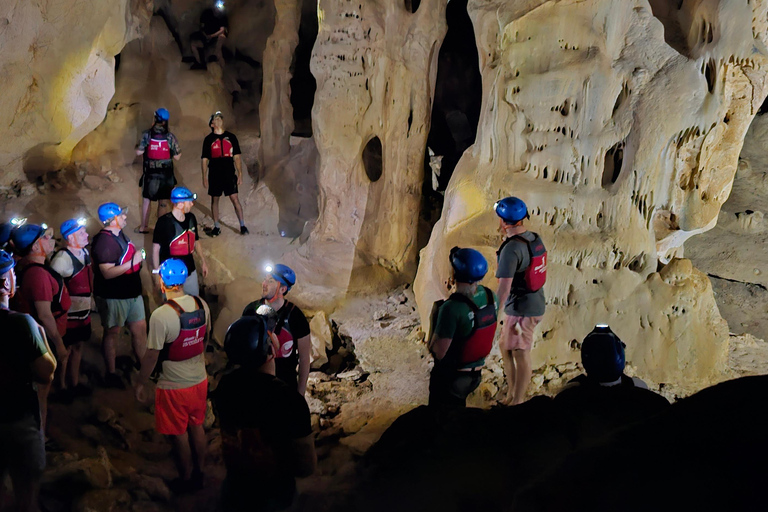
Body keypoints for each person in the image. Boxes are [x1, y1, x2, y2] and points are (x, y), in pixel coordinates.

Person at [213, 315, 316, 511]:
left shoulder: (226, 388)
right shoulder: (289, 400)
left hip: (235, 491)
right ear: (270, 350)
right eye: (270, 335)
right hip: (274, 498)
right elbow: (306, 467)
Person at [134, 259, 211, 493]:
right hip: (199, 379)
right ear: (185, 280)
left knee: (179, 435)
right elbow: (204, 340)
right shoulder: (202, 304)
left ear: (162, 282)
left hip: (173, 385)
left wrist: (140, 381)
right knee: (197, 427)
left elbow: (152, 356)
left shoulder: (161, 315)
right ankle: (202, 473)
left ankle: (186, 479)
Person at [0, 250, 57, 512]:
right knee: (27, 493)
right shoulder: (21, 323)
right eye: (12, 274)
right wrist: (42, 337)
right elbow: (46, 372)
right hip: (17, 418)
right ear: (5, 283)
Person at [10, 223, 71, 433]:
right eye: (46, 237)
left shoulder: (34, 269)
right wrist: (60, 346)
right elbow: (45, 315)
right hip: (42, 343)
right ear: (36, 247)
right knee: (40, 395)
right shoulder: (38, 275)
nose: (51, 240)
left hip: (37, 339)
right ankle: (39, 440)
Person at [428, 247, 498, 407]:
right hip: (476, 373)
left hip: (455, 378)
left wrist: (435, 320)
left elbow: (438, 352)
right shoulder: (490, 296)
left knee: (443, 417)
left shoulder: (452, 308)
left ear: (454, 274)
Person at [494, 196, 547, 406]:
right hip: (533, 302)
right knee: (506, 346)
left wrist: (493, 316)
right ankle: (512, 395)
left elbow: (504, 289)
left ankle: (517, 401)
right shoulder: (534, 238)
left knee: (520, 351)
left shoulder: (511, 249)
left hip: (521, 310)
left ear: (503, 220)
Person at [91, 203, 147, 388]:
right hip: (114, 296)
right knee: (112, 333)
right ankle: (111, 372)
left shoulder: (118, 234)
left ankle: (144, 366)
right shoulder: (104, 242)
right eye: (121, 215)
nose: (125, 217)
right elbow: (107, 273)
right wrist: (133, 262)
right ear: (113, 219)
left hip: (132, 293)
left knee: (139, 330)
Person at [242, 264, 311, 395]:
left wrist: (300, 395)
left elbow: (304, 359)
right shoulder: (251, 310)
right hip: (256, 383)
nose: (264, 283)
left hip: (285, 385)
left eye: (271, 281)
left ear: (283, 289)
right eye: (264, 279)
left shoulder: (296, 317)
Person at [49, 218, 94, 399]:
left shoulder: (84, 253)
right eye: (82, 233)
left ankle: (73, 383)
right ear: (71, 238)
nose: (87, 235)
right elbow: (53, 288)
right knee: (65, 351)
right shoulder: (62, 260)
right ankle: (61, 386)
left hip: (83, 313)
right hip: (68, 316)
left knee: (78, 347)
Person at [152, 186, 209, 296]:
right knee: (173, 307)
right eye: (189, 202)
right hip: (170, 275)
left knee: (193, 303)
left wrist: (203, 262)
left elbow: (196, 241)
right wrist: (156, 273)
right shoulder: (163, 223)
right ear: (180, 204)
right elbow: (155, 249)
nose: (192, 204)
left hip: (190, 270)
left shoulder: (191, 218)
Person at [136, 108, 182, 234]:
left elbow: (139, 151)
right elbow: (178, 156)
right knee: (163, 202)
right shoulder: (170, 137)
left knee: (147, 199)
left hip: (150, 172)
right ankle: (160, 228)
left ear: (155, 118)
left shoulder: (147, 134)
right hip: (166, 174)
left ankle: (143, 226)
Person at [201, 111, 248, 236]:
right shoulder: (208, 140)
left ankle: (242, 225)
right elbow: (205, 159)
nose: (219, 120)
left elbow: (237, 157)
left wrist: (240, 173)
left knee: (234, 198)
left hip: (228, 173)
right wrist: (204, 176)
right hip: (215, 174)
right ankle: (217, 226)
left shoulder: (231, 137)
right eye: (216, 118)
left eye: (220, 118)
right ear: (212, 124)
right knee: (215, 199)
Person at [190, 1, 228, 69]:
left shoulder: (223, 17)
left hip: (215, 39)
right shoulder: (207, 13)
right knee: (194, 43)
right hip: (205, 37)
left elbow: (222, 30)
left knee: (221, 37)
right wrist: (205, 35)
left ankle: (218, 61)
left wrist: (211, 36)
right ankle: (200, 63)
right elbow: (201, 26)